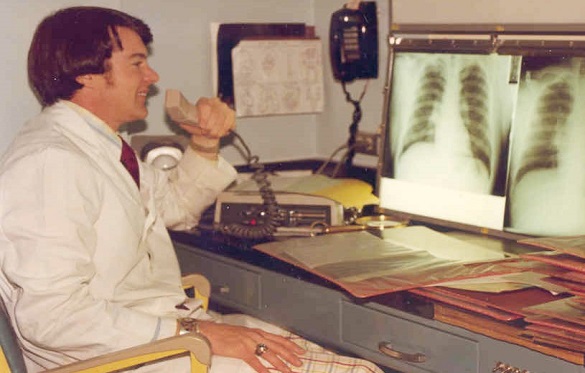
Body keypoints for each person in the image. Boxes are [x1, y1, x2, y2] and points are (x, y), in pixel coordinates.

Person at [0, 6, 383, 373]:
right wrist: (197, 332)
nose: (151, 76)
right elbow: (49, 317)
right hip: (111, 359)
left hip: (156, 334)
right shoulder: (51, 162)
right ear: (86, 74)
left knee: (340, 363)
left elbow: (173, 209)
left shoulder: (100, 146)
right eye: (136, 63)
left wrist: (204, 143)